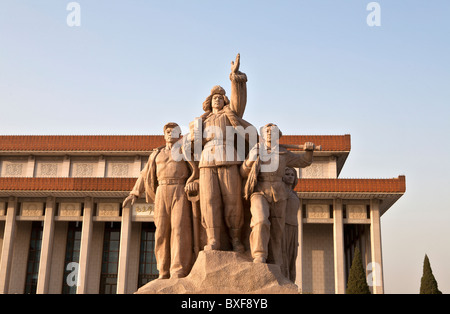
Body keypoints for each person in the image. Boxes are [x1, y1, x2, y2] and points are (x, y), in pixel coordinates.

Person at [196, 54, 256, 252]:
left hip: (229, 160)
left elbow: (238, 101)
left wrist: (234, 75)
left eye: (221, 98)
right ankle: (213, 239)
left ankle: (236, 239)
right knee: (209, 202)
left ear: (225, 101)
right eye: (214, 98)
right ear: (209, 101)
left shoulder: (231, 115)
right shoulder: (202, 121)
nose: (217, 101)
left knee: (233, 201)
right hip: (206, 163)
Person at [123, 122, 198, 279]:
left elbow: (196, 170)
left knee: (179, 230)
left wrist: (194, 182)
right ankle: (163, 270)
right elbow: (145, 174)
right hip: (161, 191)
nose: (171, 134)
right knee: (161, 232)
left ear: (179, 135)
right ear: (164, 135)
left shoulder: (185, 152)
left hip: (179, 190)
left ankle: (178, 269)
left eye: (174, 131)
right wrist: (134, 193)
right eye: (168, 131)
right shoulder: (156, 154)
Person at [241, 123, 314, 267]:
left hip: (279, 193)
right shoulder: (256, 150)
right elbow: (243, 172)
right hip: (259, 190)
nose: (269, 133)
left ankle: (275, 262)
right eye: (266, 131)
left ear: (278, 135)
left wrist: (308, 151)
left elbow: (304, 161)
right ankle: (259, 254)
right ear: (263, 135)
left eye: (272, 131)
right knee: (260, 221)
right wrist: (251, 159)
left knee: (277, 230)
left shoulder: (283, 153)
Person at [282, 166, 300, 282]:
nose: (290, 177)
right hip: (283, 226)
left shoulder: (294, 194)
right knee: (283, 254)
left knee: (292, 256)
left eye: (292, 175)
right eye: (287, 174)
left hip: (294, 227)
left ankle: (290, 280)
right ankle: (283, 279)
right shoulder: (282, 192)